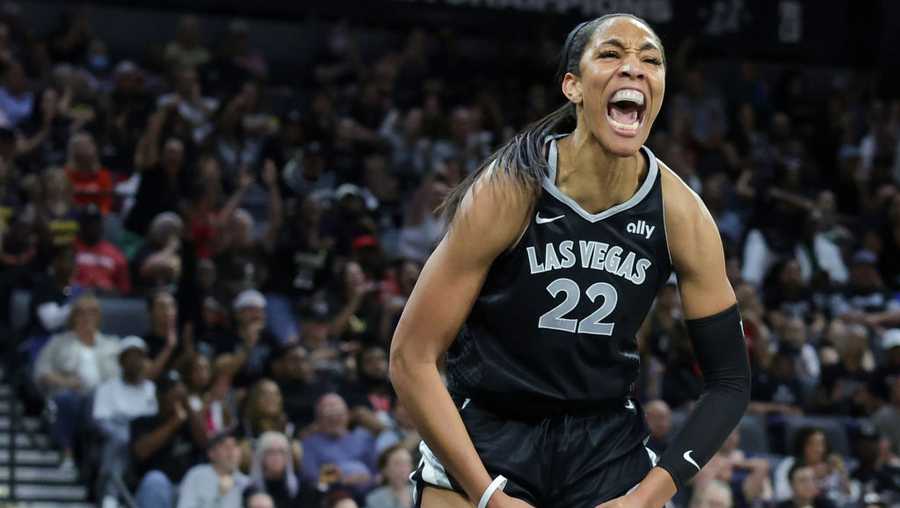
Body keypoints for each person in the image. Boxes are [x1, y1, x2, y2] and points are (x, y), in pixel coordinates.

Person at [389, 14, 751, 508]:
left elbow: (730, 381)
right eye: (611, 54)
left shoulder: (682, 213)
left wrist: (646, 497)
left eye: (651, 60)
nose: (634, 69)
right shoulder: (513, 186)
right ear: (573, 86)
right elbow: (411, 357)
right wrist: (487, 495)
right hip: (492, 428)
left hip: (604, 441)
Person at [33, 292, 120, 469]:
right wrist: (66, 382)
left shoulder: (112, 344)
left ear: (99, 316)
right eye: (81, 312)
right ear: (73, 317)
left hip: (103, 401)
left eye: (92, 312)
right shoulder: (58, 342)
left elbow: (123, 377)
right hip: (70, 397)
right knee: (66, 399)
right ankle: (67, 453)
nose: (87, 317)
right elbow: (40, 372)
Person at [91, 336, 158, 508]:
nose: (135, 361)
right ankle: (110, 494)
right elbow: (101, 420)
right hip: (117, 435)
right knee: (119, 440)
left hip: (145, 437)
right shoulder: (107, 387)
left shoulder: (152, 389)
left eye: (139, 356)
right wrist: (125, 435)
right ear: (121, 361)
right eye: (130, 356)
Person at [178, 430, 250, 508]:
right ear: (211, 453)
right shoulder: (196, 475)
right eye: (225, 446)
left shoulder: (246, 483)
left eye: (235, 446)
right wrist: (220, 495)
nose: (231, 451)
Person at [248, 431, 301, 508]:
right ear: (261, 457)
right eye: (270, 452)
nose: (276, 457)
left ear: (287, 457)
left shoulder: (300, 489)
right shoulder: (250, 491)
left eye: (281, 452)